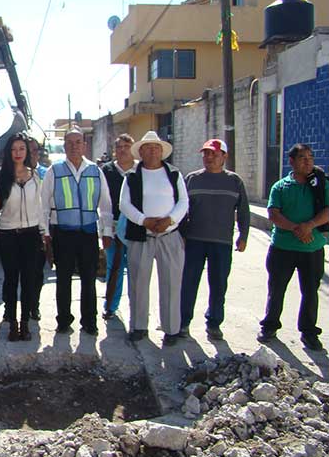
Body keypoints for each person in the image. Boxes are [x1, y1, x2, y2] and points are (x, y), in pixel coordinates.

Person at [41, 128, 113, 336]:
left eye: (78, 142)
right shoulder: (54, 171)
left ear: (84, 145)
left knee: (88, 279)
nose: (74, 146)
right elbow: (44, 204)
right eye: (70, 142)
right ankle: (63, 320)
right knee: (63, 279)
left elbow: (106, 204)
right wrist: (45, 232)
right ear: (64, 146)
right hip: (63, 233)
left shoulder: (95, 171)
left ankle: (89, 321)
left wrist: (106, 231)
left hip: (88, 233)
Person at [120, 131, 188, 346]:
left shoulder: (174, 174)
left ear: (162, 151)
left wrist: (170, 219)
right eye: (147, 147)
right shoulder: (132, 176)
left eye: (156, 147)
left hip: (169, 235)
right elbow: (124, 204)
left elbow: (184, 202)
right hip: (142, 237)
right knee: (138, 283)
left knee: (171, 283)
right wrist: (144, 220)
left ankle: (171, 329)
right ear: (140, 152)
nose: (152, 151)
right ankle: (139, 326)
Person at [258, 144, 329, 351]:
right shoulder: (280, 187)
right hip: (282, 248)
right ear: (291, 161)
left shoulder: (321, 185)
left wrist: (310, 226)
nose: (307, 161)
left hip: (312, 249)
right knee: (277, 288)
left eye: (310, 157)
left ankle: (308, 331)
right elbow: (273, 214)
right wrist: (297, 229)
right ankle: (270, 325)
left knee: (310, 291)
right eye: (302, 158)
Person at [180, 139, 249, 341]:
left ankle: (214, 323)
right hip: (194, 241)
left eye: (214, 154)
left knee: (218, 284)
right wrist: (181, 235)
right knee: (189, 282)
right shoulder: (192, 179)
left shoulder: (234, 182)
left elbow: (243, 210)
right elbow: (181, 210)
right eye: (206, 154)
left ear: (224, 157)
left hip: (222, 242)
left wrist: (243, 236)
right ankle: (183, 322)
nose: (209, 158)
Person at [0, 133, 45, 341]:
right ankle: (12, 322)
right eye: (14, 149)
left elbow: (41, 207)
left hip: (30, 233)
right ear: (8, 152)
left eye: (22, 149)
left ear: (27, 152)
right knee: (11, 279)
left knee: (29, 279)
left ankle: (25, 322)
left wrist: (44, 232)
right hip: (8, 233)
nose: (18, 153)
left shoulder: (36, 176)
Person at [100, 134, 137, 320]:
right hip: (113, 227)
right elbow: (103, 202)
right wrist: (106, 230)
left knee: (135, 269)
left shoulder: (141, 169)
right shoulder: (107, 170)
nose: (123, 150)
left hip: (136, 227)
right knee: (113, 267)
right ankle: (110, 306)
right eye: (119, 146)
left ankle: (137, 307)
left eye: (126, 146)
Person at [28, 137, 48, 320]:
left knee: (36, 272)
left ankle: (34, 306)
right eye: (29, 150)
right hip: (18, 230)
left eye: (35, 150)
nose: (33, 154)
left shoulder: (46, 174)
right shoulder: (13, 173)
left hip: (39, 231)